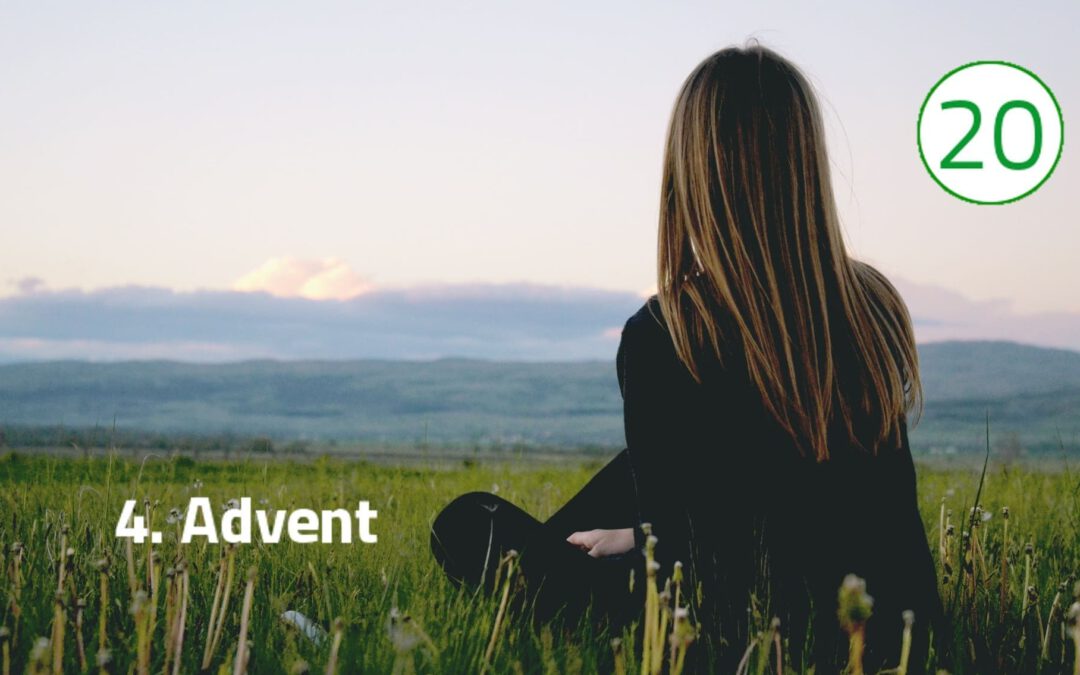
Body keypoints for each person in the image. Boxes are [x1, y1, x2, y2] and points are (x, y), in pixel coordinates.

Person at [430, 43, 942, 673]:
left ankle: (546, 573)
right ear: (805, 161)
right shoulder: (874, 306)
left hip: (727, 631)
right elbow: (818, 498)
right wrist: (639, 533)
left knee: (464, 525)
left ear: (694, 170)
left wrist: (640, 544)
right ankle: (582, 547)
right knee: (634, 471)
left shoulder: (670, 332)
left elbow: (690, 567)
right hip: (889, 627)